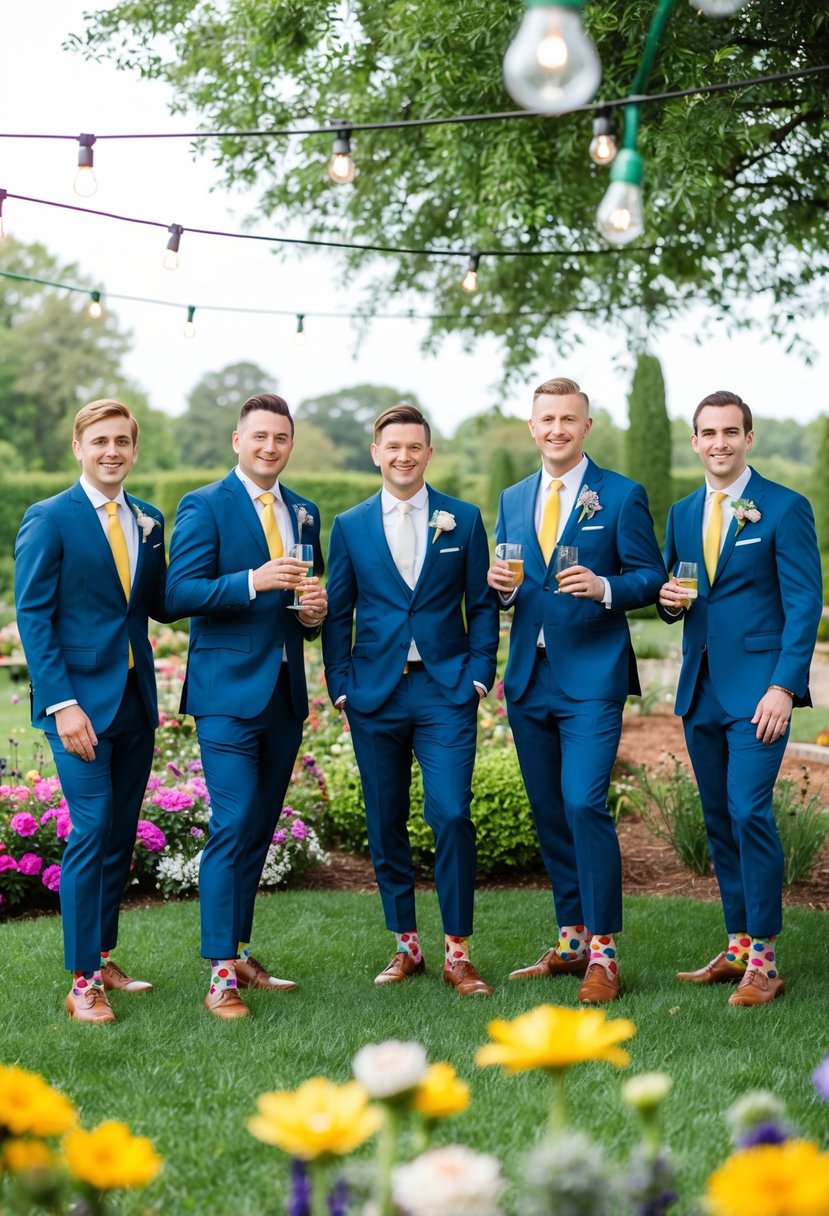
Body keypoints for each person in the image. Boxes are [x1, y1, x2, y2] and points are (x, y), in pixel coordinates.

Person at [488, 377, 665, 1002]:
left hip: (592, 676)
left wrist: (607, 588)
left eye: (569, 419)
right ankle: (571, 940)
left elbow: (651, 576)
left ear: (586, 427)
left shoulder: (620, 495)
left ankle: (606, 953)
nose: (557, 429)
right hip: (529, 679)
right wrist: (503, 590)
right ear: (532, 427)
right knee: (549, 810)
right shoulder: (512, 497)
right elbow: (513, 579)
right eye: (547, 419)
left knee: (584, 802)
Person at [323, 403, 500, 996]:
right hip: (373, 693)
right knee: (385, 821)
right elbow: (337, 611)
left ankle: (457, 951)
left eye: (414, 446)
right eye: (392, 446)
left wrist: (479, 674)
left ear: (428, 453)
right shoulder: (348, 526)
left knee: (450, 813)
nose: (403, 456)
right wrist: (341, 686)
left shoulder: (464, 520)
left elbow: (481, 604)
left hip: (446, 689)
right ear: (376, 453)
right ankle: (407, 946)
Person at [166, 392, 327, 1020]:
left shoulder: (306, 512)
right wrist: (251, 581)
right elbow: (179, 592)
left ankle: (239, 950)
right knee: (233, 825)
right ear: (238, 440)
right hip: (226, 694)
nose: (269, 447)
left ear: (289, 444)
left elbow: (309, 602)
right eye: (258, 436)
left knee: (258, 828)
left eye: (280, 438)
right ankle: (218, 975)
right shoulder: (203, 505)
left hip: (285, 693)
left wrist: (313, 614)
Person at [658, 390, 822, 1007]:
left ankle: (767, 960)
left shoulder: (784, 508)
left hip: (759, 693)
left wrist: (784, 686)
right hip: (700, 689)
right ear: (695, 441)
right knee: (719, 818)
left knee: (749, 810)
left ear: (748, 438)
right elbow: (680, 589)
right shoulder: (681, 511)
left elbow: (804, 603)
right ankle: (737, 947)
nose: (720, 443)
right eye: (709, 433)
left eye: (731, 432)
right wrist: (670, 602)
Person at [15, 398, 169, 1023]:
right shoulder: (48, 518)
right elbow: (33, 615)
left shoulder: (150, 519)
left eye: (123, 442)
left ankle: (103, 954)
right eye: (100, 441)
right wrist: (62, 703)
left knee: (119, 835)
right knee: (92, 828)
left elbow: (158, 603)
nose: (112, 452)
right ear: (78, 447)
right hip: (76, 706)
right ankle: (83, 982)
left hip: (134, 702)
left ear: (135, 450)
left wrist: (246, 584)